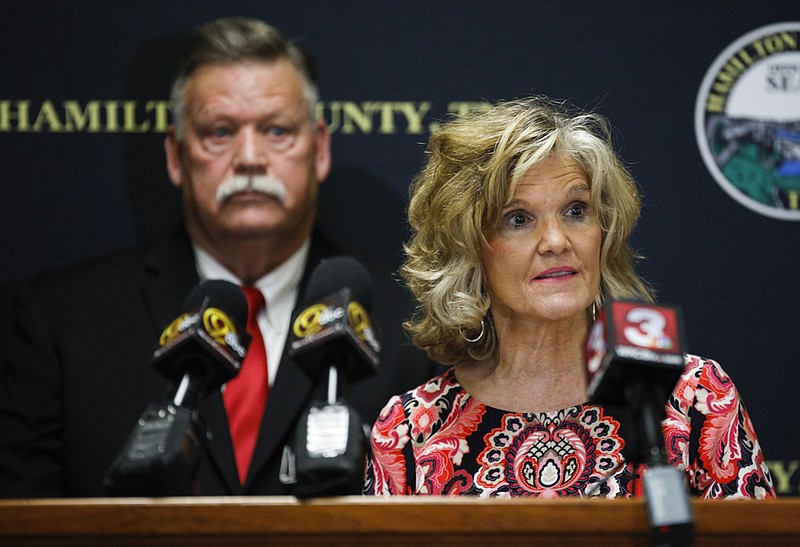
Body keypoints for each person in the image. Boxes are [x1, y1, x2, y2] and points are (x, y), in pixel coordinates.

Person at [0, 17, 434, 497]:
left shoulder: (416, 329)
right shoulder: (61, 322)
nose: (249, 157)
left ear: (320, 149)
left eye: (276, 130)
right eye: (220, 132)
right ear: (175, 156)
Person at [364, 96, 776, 499]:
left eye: (576, 210)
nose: (557, 241)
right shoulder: (411, 430)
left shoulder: (694, 397)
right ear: (468, 249)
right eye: (518, 219)